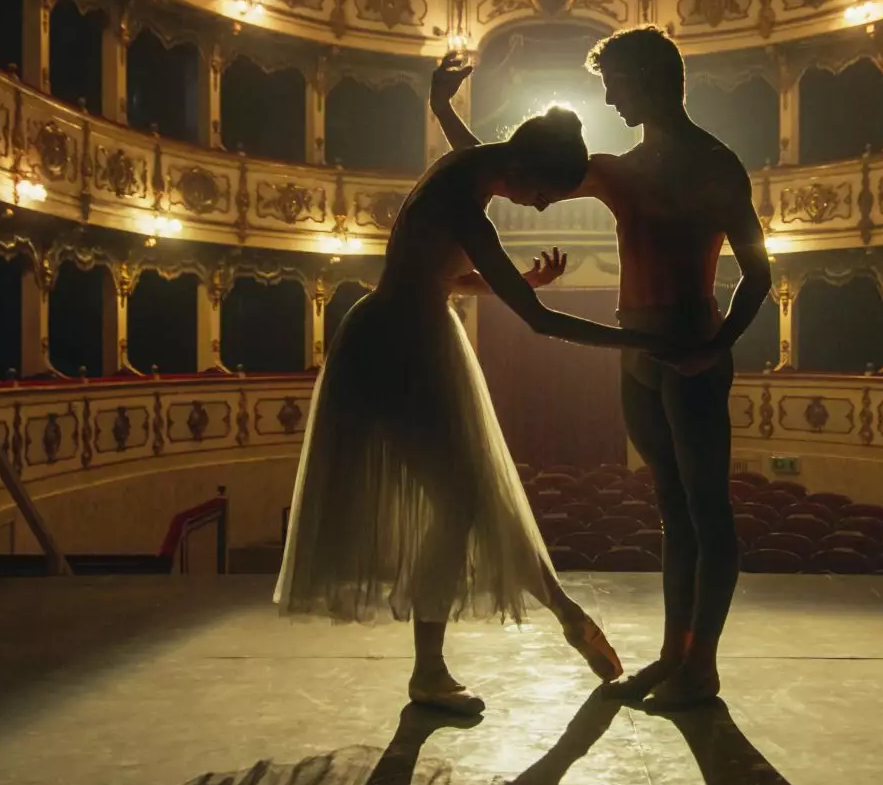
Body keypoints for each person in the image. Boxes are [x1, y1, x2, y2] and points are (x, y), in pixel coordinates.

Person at [273, 107, 674, 715]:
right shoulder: (465, 200)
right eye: (542, 195)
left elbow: (442, 270)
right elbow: (536, 323)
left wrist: (441, 107)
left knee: (474, 496)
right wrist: (639, 340)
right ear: (521, 168)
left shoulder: (463, 170)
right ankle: (438, 669)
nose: (538, 209)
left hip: (405, 335)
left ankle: (555, 617)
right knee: (464, 499)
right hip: (399, 348)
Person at [431, 26, 772, 707]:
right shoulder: (622, 169)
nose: (609, 98)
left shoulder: (715, 164)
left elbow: (759, 273)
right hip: (638, 352)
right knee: (675, 514)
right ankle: (674, 657)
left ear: (649, 79)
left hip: (688, 347)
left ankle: (700, 669)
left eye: (614, 83)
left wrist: (717, 345)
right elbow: (509, 170)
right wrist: (445, 113)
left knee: (709, 514)